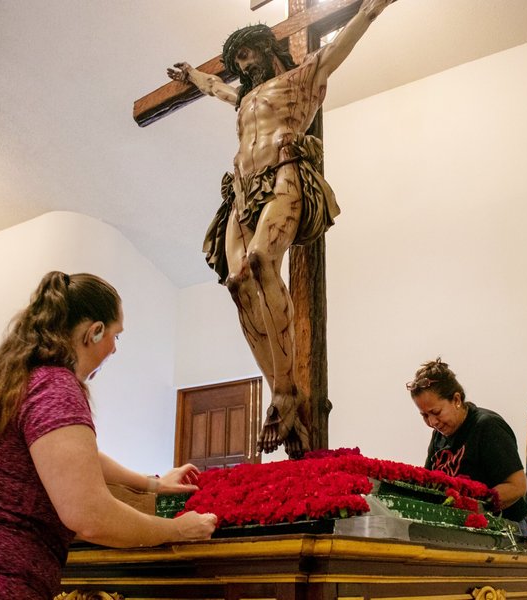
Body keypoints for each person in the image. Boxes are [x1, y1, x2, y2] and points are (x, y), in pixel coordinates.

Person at [167, 0, 394, 458]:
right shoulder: (245, 99)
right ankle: (280, 391)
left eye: (247, 55)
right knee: (236, 282)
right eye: (237, 63)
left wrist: (370, 11)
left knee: (259, 260)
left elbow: (336, 52)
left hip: (283, 173)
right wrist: (194, 76)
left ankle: (288, 390)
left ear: (266, 49)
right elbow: (217, 89)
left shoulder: (300, 80)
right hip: (242, 191)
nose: (242, 66)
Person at [0, 272, 217, 600]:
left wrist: (153, 484)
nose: (115, 349)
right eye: (116, 335)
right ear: (94, 331)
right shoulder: (54, 385)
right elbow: (91, 516)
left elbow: (70, 456)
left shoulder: (1, 383)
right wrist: (178, 529)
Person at [407, 358, 527, 526]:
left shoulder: (486, 426)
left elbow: (517, 486)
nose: (432, 422)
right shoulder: (439, 434)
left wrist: (473, 504)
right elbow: (429, 483)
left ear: (456, 400)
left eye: (436, 412)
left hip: (506, 528)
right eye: (425, 415)